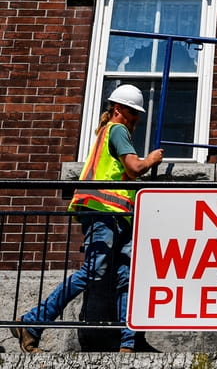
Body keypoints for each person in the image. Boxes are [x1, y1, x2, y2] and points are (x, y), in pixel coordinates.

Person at [11, 84, 163, 353]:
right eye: (133, 112)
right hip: (103, 213)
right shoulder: (117, 131)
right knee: (94, 271)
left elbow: (122, 175)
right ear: (118, 109)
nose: (137, 118)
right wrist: (150, 159)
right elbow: (134, 167)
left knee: (126, 276)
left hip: (118, 217)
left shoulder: (110, 135)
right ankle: (32, 322)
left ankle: (129, 343)